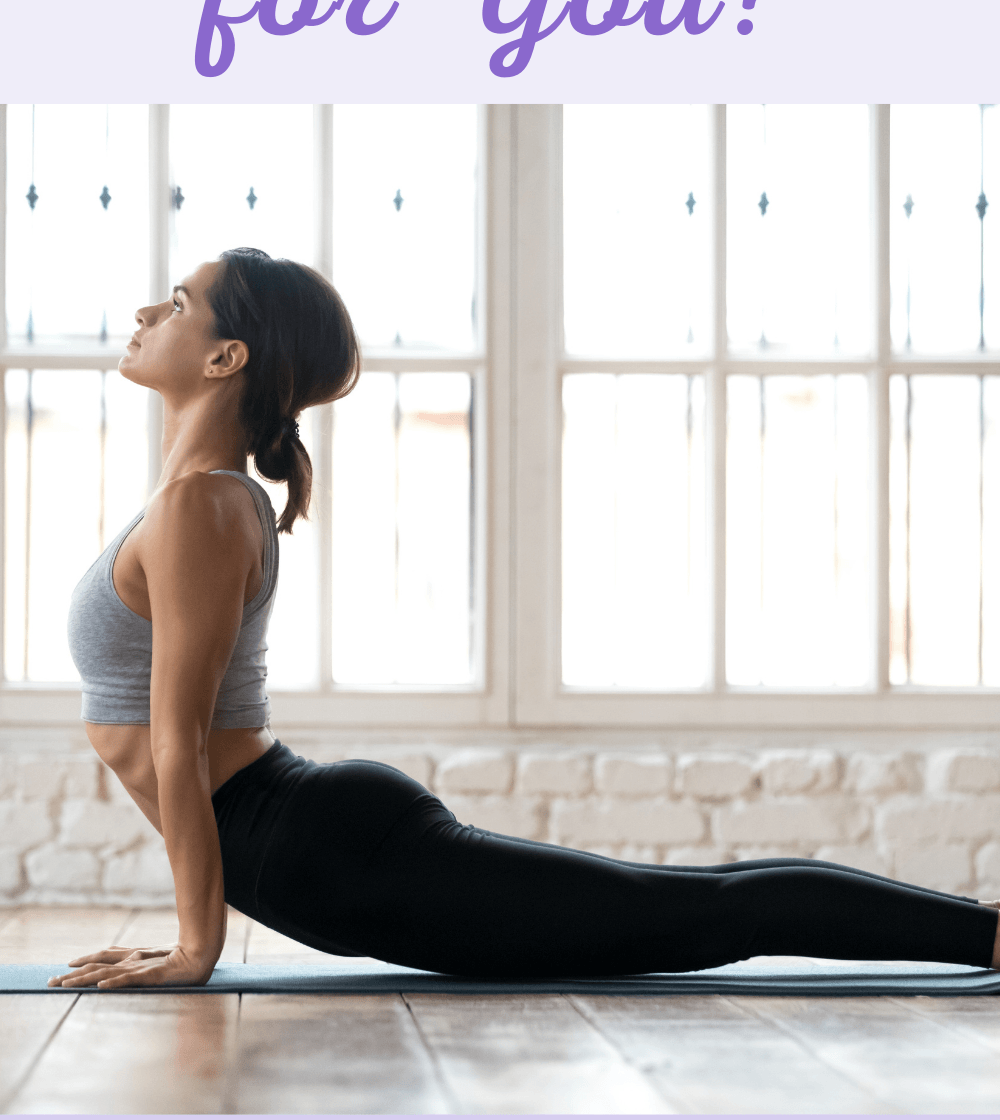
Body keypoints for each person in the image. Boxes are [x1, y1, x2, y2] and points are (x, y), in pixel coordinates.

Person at [50, 249, 1000, 990]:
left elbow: (178, 741)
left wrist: (194, 948)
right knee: (693, 902)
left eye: (177, 302)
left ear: (225, 356)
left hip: (326, 853)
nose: (145, 313)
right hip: (310, 842)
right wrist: (195, 937)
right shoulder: (195, 502)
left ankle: (986, 935)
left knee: (705, 916)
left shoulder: (201, 510)